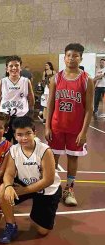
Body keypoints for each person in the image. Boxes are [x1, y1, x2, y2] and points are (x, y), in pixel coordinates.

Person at [0, 116, 61, 244]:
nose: (24, 138)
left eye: (28, 133)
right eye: (20, 135)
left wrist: (24, 191)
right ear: (15, 136)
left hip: (46, 189)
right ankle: (11, 226)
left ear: (35, 133)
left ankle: (46, 213)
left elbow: (48, 180)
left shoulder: (45, 151)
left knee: (42, 231)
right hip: (25, 183)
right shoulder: (14, 150)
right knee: (3, 191)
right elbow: (8, 173)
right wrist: (9, 186)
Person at [45, 43, 94, 206]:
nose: (71, 58)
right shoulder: (56, 78)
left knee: (73, 157)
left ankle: (69, 188)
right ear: (64, 57)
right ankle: (52, 187)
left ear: (80, 58)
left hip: (75, 128)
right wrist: (47, 126)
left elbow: (89, 109)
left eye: (75, 56)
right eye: (68, 55)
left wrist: (84, 132)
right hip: (57, 126)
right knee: (53, 158)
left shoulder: (87, 80)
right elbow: (50, 104)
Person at [0, 55, 35, 144]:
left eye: (16, 65)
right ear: (7, 69)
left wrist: (30, 117)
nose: (14, 68)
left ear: (20, 68)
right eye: (11, 66)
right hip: (5, 117)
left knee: (20, 144)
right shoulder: (2, 82)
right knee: (4, 144)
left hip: (21, 117)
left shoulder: (26, 81)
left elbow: (31, 101)